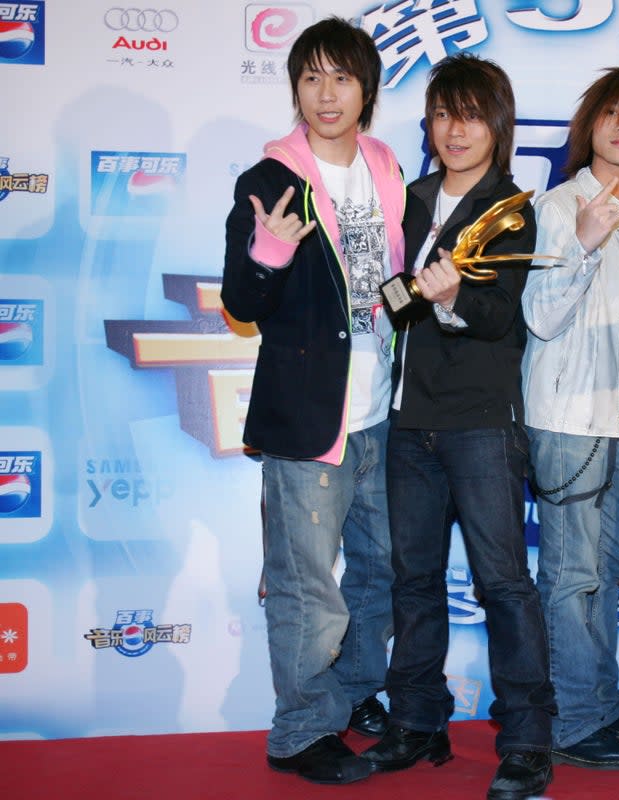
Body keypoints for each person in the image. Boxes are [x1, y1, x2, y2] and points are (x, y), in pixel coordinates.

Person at [358, 53, 556, 800]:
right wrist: (415, 292)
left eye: (471, 116)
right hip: (408, 424)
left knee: (504, 583)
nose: (455, 130)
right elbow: (391, 296)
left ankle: (529, 736)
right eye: (443, 115)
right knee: (413, 583)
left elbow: (500, 313)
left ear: (497, 127)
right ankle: (416, 720)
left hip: (480, 423)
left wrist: (448, 297)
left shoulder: (511, 207)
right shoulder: (408, 199)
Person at [221, 16, 399, 785]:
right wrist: (269, 253)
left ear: (367, 90)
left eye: (343, 78)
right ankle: (300, 729)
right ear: (295, 87)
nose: (326, 95)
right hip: (308, 420)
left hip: (385, 413)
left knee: (378, 573)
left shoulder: (388, 168)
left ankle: (356, 695)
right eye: (312, 78)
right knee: (305, 586)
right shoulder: (268, 182)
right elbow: (240, 300)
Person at [521, 67, 619, 771]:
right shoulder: (557, 206)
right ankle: (577, 720)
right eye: (612, 112)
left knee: (608, 566)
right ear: (589, 125)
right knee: (572, 572)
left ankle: (600, 696)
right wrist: (582, 242)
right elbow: (539, 316)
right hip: (565, 415)